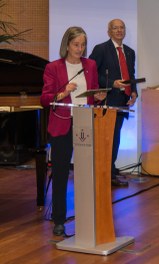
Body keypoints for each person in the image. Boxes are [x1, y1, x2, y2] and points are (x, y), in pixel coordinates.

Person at [40, 26, 106, 236]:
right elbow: (44, 99)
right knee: (60, 174)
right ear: (67, 45)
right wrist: (63, 92)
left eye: (83, 44)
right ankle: (59, 219)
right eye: (76, 44)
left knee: (88, 172)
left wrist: (98, 96)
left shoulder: (91, 65)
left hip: (85, 123)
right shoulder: (54, 67)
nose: (80, 48)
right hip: (62, 126)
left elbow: (93, 90)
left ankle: (90, 216)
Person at [89, 19, 138, 187]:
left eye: (122, 27)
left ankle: (111, 168)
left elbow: (131, 74)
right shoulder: (101, 49)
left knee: (116, 137)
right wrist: (111, 84)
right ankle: (107, 172)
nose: (119, 31)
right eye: (115, 28)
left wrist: (134, 91)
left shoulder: (130, 52)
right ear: (109, 31)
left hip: (123, 102)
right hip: (107, 102)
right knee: (109, 137)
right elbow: (91, 72)